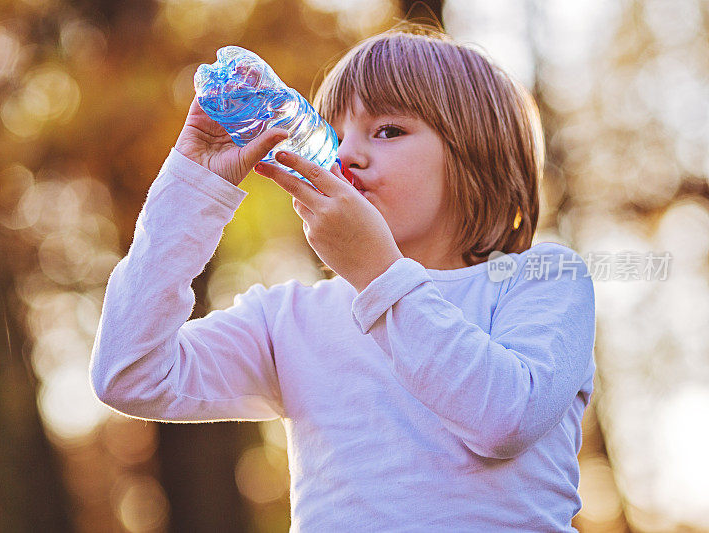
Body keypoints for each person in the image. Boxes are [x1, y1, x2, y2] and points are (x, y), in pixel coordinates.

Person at [90, 21, 596, 532]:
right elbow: (129, 374)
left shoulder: (540, 280)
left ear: (478, 154)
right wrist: (193, 187)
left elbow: (505, 420)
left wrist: (379, 273)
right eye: (335, 131)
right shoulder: (289, 319)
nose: (346, 154)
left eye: (389, 130)